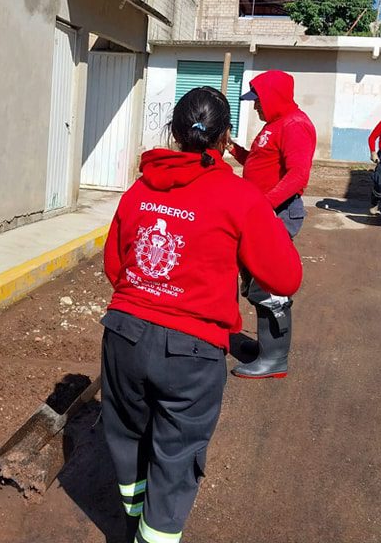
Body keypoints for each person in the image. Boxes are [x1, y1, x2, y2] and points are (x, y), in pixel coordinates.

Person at [101, 87, 302, 543]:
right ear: (225, 136)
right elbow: (286, 278)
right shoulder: (240, 196)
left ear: (173, 132)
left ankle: (132, 518)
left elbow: (115, 266)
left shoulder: (139, 189)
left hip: (123, 335)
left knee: (129, 437)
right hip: (191, 353)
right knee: (176, 457)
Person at [227, 69, 316, 379]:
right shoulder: (276, 125)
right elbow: (260, 163)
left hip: (275, 215)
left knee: (269, 284)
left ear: (273, 97)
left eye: (258, 100)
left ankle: (275, 359)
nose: (255, 107)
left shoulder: (295, 126)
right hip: (261, 214)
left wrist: (262, 205)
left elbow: (297, 177)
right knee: (256, 278)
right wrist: (235, 150)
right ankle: (266, 349)